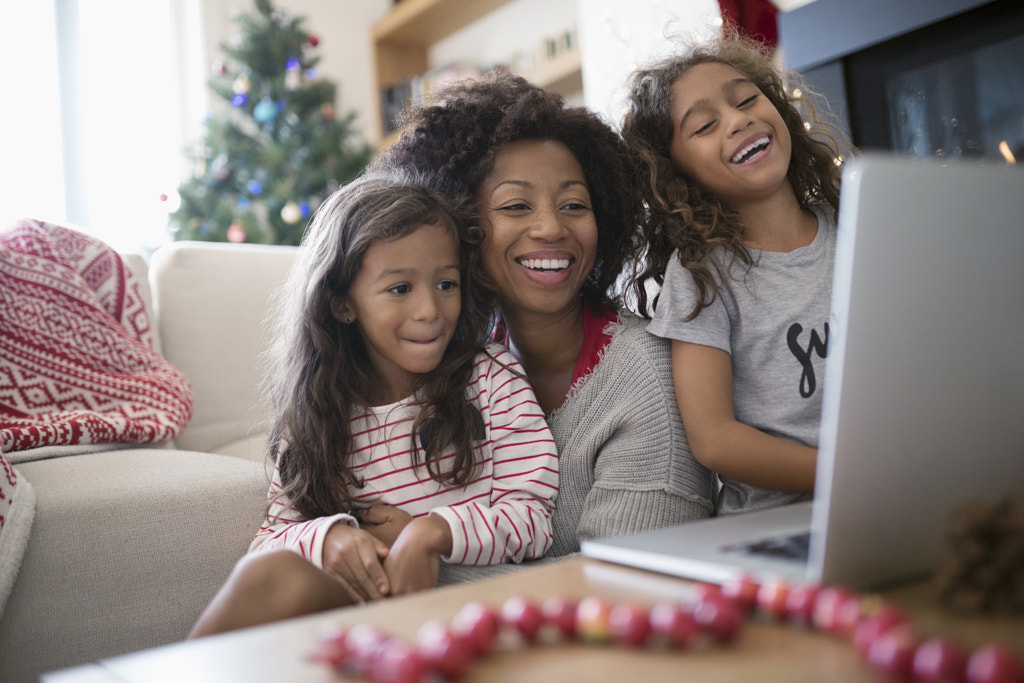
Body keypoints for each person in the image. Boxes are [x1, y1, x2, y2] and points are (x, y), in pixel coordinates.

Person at [189, 173, 558, 637]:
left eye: (446, 284)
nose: (429, 310)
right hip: (374, 617)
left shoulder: (491, 378)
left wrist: (428, 533)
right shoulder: (320, 414)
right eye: (400, 289)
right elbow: (270, 542)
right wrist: (330, 539)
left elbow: (533, 517)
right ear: (344, 305)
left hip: (478, 599)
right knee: (264, 576)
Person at [371, 72, 715, 569]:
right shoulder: (444, 360)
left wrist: (422, 554)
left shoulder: (644, 376)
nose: (552, 228)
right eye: (516, 206)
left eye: (575, 205)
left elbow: (624, 585)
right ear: (460, 226)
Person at [620, 31, 854, 516]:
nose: (738, 119)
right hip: (782, 518)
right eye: (704, 126)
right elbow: (715, 440)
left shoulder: (857, 222)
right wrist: (847, 473)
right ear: (675, 174)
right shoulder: (701, 278)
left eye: (747, 99)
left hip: (894, 490)